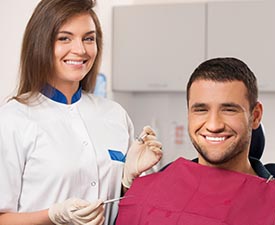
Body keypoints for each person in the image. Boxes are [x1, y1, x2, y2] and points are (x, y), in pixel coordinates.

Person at [0, 0, 162, 225]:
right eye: (64, 38)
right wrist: (53, 215)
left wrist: (128, 180)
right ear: (41, 43)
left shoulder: (114, 114)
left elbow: (127, 208)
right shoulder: (12, 120)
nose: (81, 50)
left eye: (88, 38)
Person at [115, 57, 275, 225]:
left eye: (229, 109)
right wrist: (129, 186)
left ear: (255, 116)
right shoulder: (166, 179)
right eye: (201, 109)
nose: (213, 125)